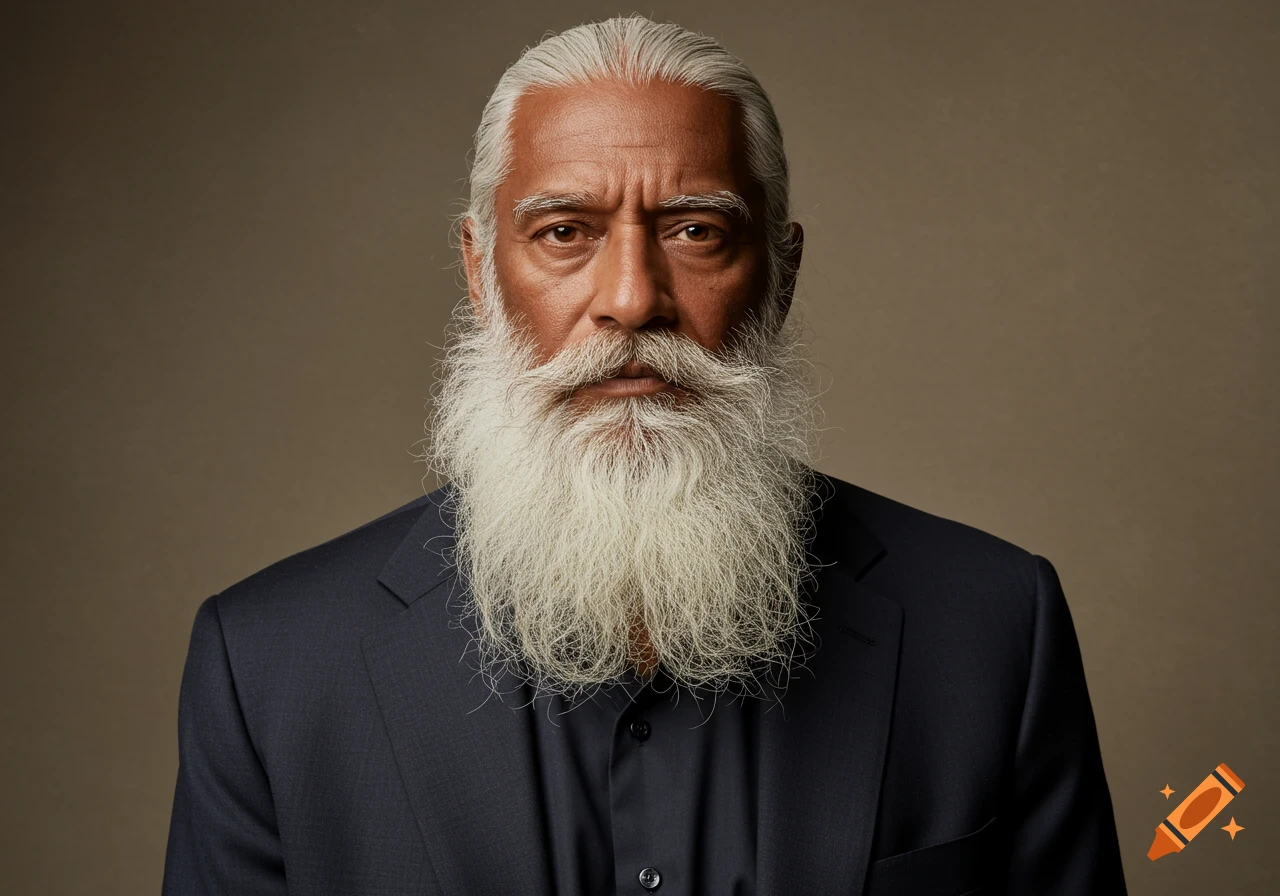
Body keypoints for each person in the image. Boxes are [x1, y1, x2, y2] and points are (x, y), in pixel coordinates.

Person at [161, 15, 1127, 896]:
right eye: (564, 232)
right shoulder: (270, 667)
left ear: (781, 274)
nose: (631, 297)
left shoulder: (994, 627)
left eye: (696, 231)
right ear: (479, 270)